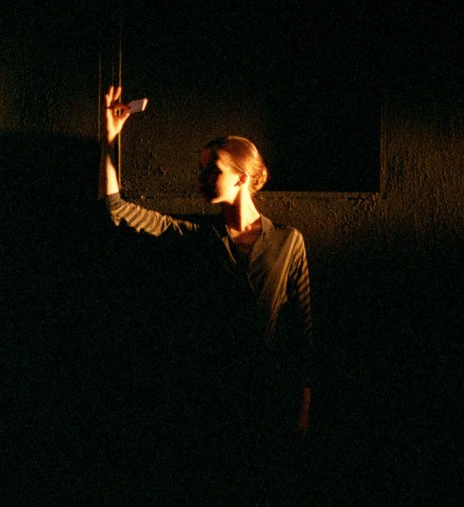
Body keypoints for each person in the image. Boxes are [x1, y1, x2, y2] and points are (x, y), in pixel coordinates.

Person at [99, 85, 312, 443]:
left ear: (241, 177)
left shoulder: (288, 241)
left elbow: (302, 330)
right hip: (208, 397)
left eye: (212, 170)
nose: (200, 180)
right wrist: (108, 141)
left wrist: (303, 407)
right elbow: (116, 208)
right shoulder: (196, 236)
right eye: (201, 171)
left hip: (267, 396)